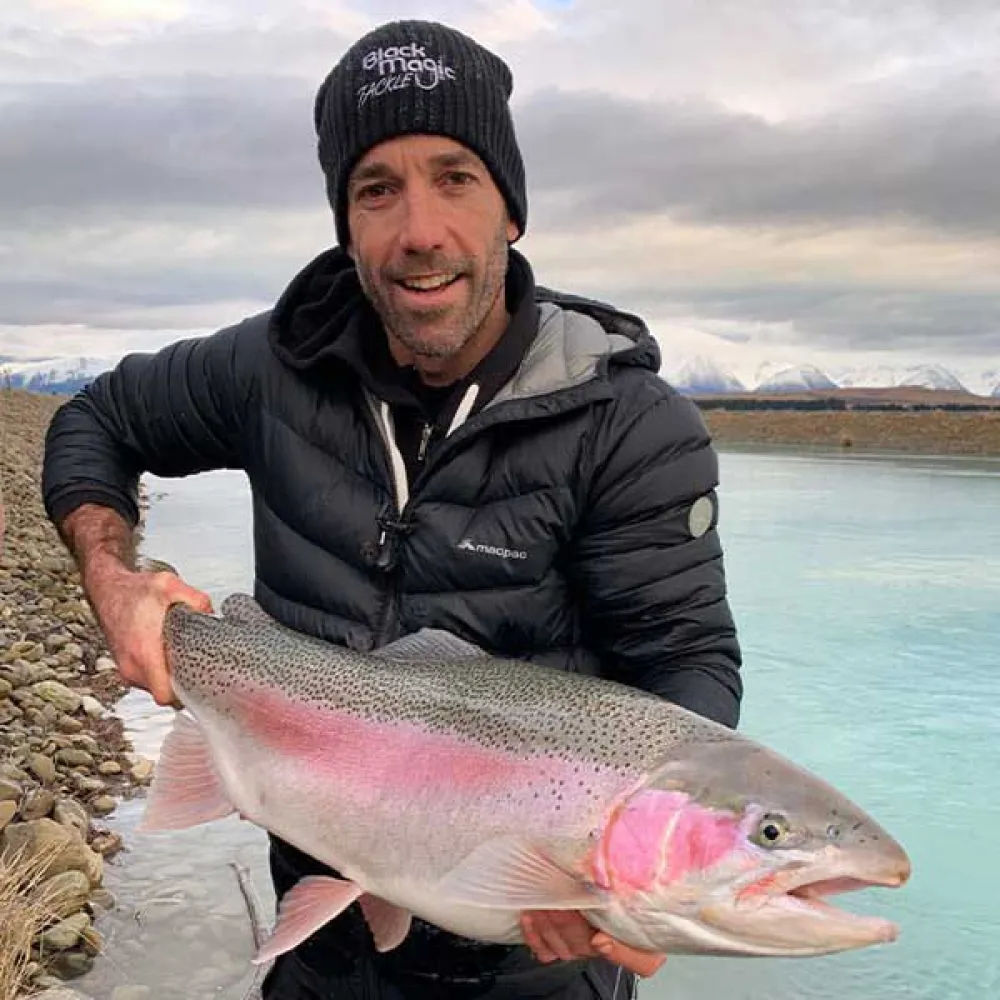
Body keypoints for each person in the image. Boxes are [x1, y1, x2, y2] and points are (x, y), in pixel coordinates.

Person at [41, 18, 743, 1000]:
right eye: (378, 189)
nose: (420, 231)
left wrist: (644, 853)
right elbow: (96, 420)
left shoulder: (628, 424)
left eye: (455, 177)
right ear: (345, 222)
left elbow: (685, 664)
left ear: (510, 210)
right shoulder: (269, 368)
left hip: (535, 964)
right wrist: (115, 580)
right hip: (321, 947)